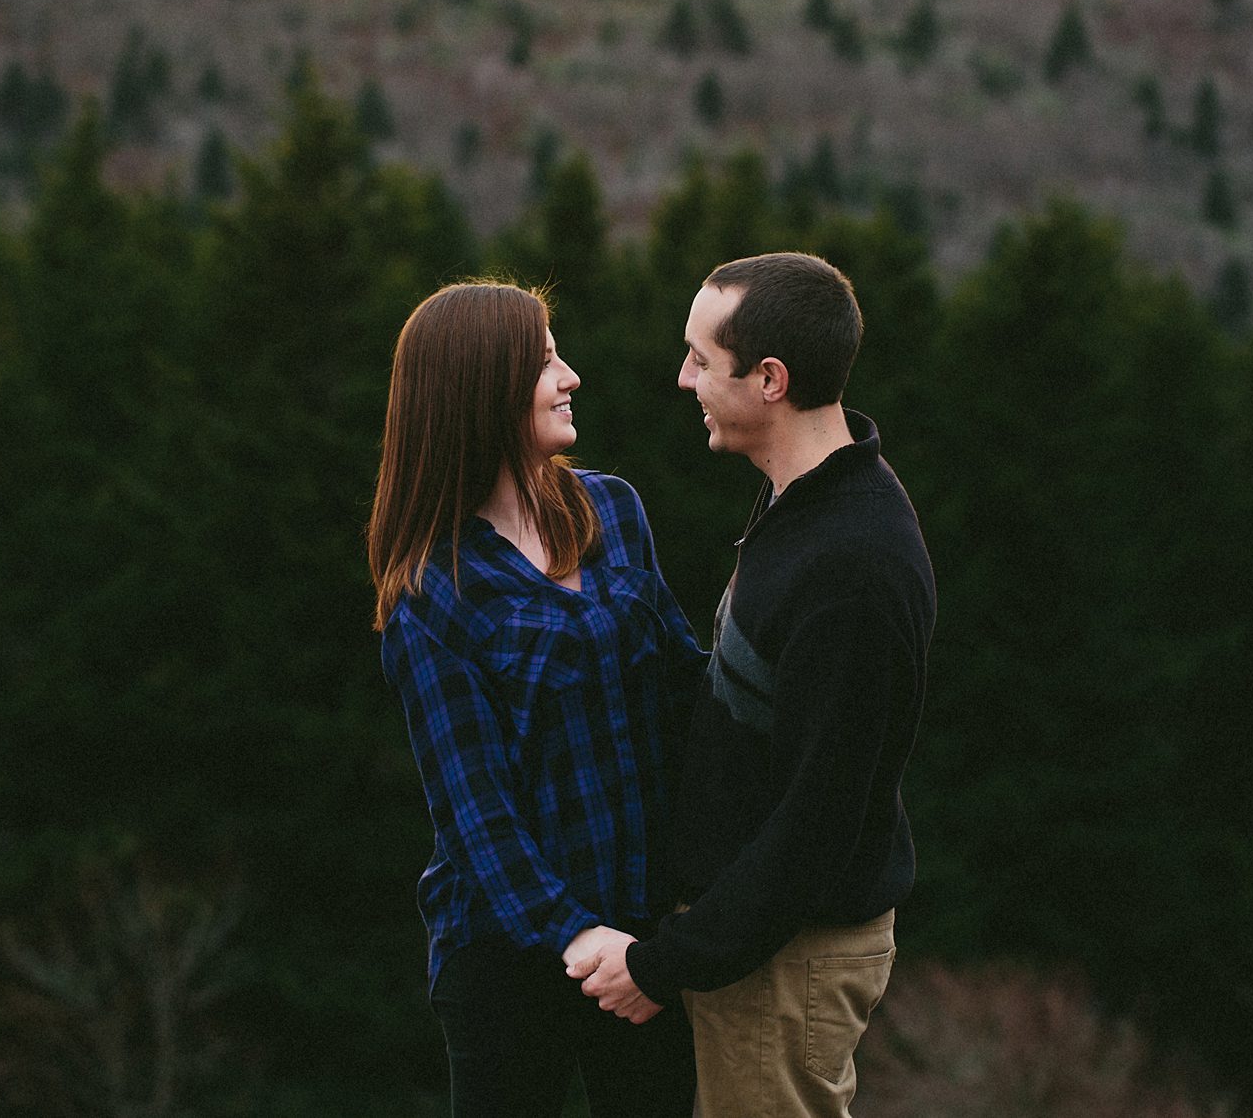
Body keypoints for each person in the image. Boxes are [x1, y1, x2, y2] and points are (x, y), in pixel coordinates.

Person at [569, 252, 935, 1116]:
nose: (683, 376)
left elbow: (818, 820)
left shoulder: (853, 565)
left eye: (701, 358)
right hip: (760, 948)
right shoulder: (803, 504)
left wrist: (666, 964)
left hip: (787, 959)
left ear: (769, 379)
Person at [367, 281, 701, 1117]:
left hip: (646, 943)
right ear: (482, 387)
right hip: (509, 957)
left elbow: (685, 682)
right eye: (545, 359)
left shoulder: (613, 509)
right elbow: (476, 813)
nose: (571, 374)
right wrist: (576, 935)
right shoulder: (431, 594)